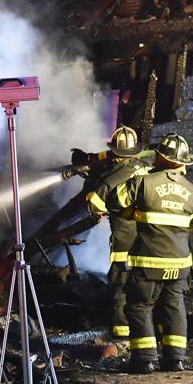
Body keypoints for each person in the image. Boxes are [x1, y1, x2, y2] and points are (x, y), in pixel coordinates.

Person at [109, 133, 193, 373]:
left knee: (139, 306)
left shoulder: (144, 182)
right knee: (174, 307)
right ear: (183, 163)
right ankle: (175, 359)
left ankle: (145, 359)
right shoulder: (192, 192)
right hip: (181, 263)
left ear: (159, 157)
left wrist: (134, 213)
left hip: (149, 260)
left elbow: (114, 201)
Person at [85, 126, 150, 340]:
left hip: (125, 241)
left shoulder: (111, 179)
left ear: (115, 154)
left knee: (121, 285)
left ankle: (122, 334)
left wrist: (93, 191)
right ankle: (148, 329)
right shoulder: (146, 169)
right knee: (145, 287)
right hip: (151, 241)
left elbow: (94, 206)